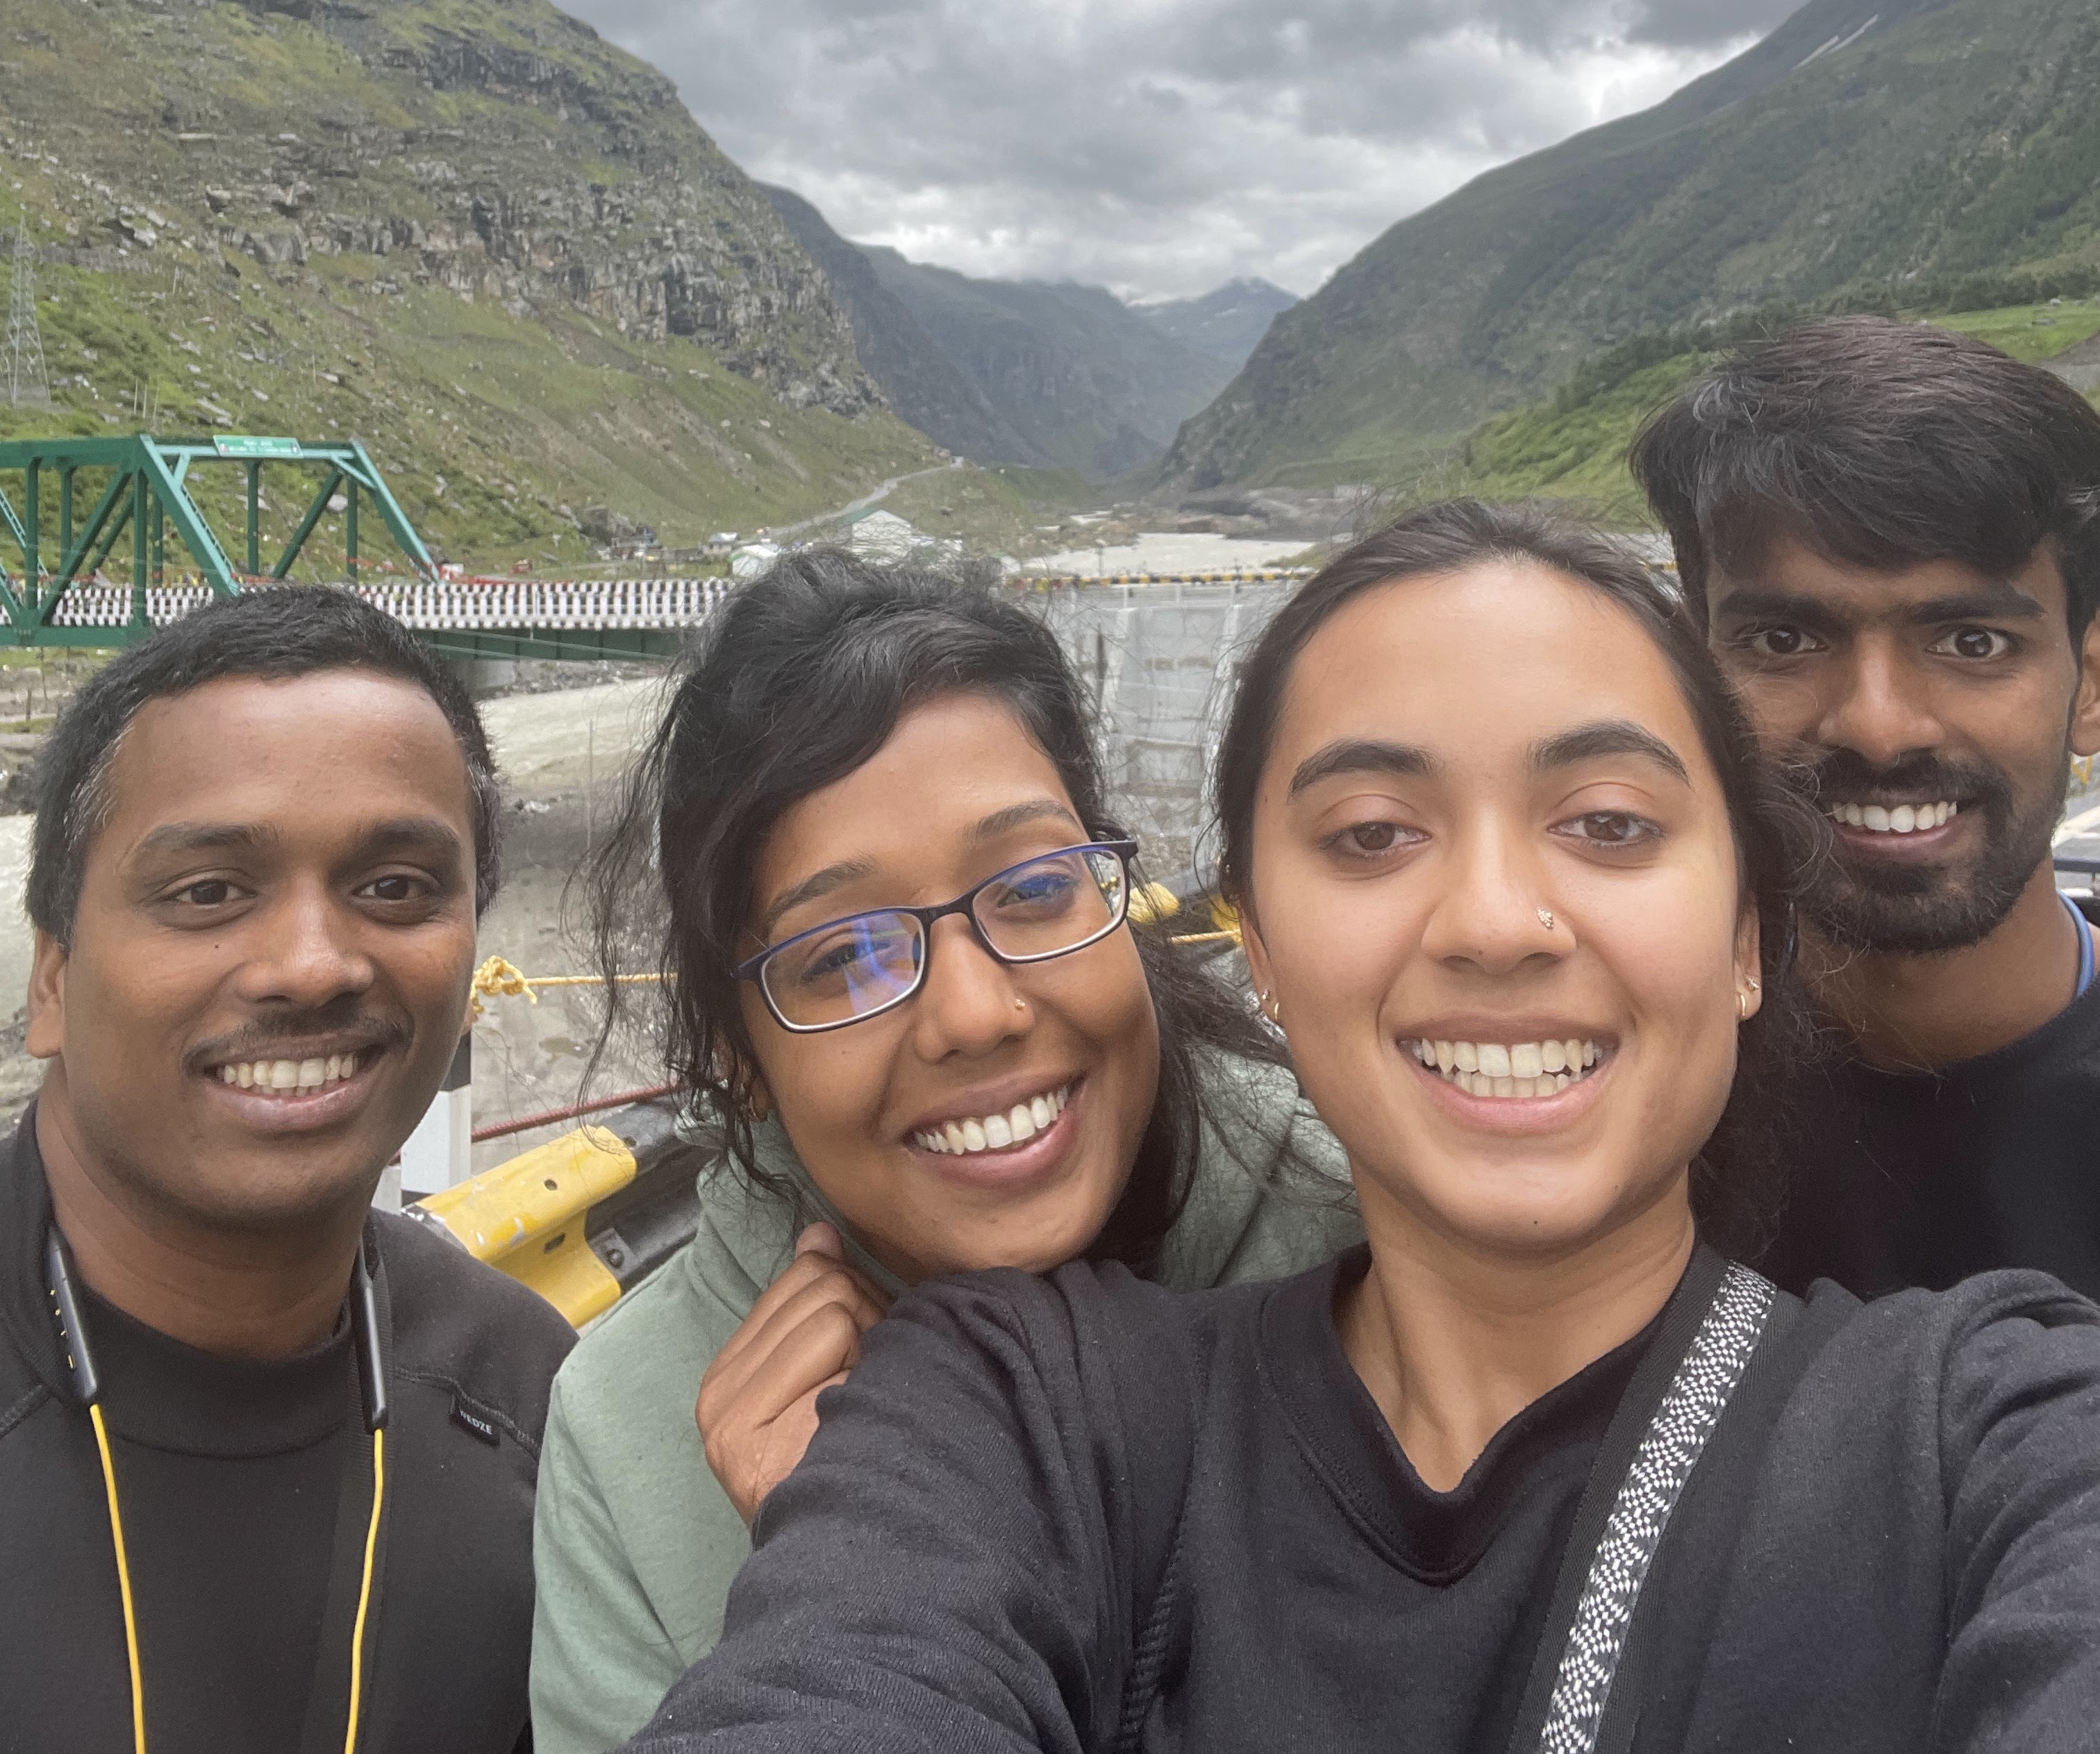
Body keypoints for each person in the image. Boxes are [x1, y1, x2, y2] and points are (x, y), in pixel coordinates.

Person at [622, 503, 2100, 1754]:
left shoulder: (1996, 1435)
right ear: (1253, 949)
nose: (1496, 925)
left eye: (1608, 822)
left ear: (1747, 936)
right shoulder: (1016, 1400)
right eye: (1373, 836)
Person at [528, 551, 1360, 1754]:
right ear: (737, 1050)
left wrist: (886, 1549)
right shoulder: (629, 1431)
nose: (975, 1014)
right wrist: (818, 1593)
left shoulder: (1364, 1242)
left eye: (1032, 889)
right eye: (844, 955)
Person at [0, 587, 573, 1754]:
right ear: (51, 978)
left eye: (396, 889)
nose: (313, 967)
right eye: (208, 893)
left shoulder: (537, 1409)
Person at [1631, 315, 2100, 1299]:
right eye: (1786, 641)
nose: (1880, 730)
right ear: (1690, 676)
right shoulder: (1609, 1110)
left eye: (1972, 643)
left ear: (2090, 687)